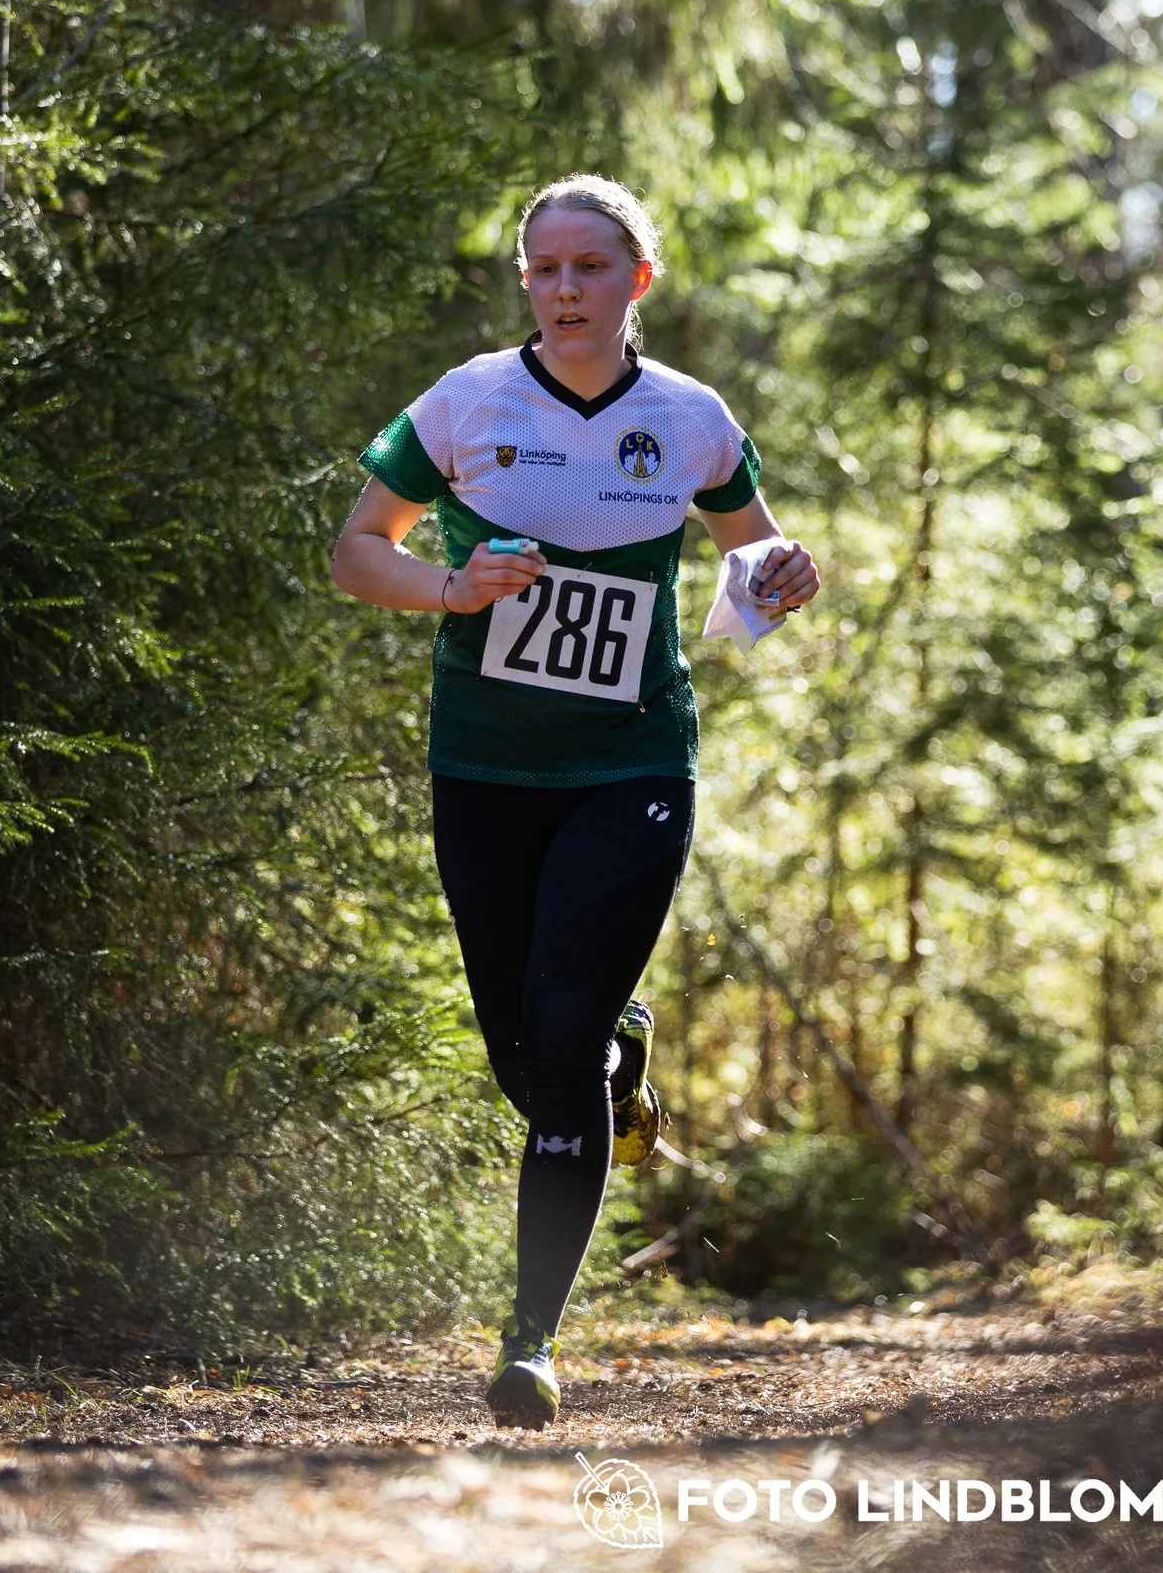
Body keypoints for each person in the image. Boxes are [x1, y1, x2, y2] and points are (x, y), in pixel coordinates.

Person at [330, 176, 818, 1430]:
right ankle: (620, 1065)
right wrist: (449, 587)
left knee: (557, 1032)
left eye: (589, 268)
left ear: (636, 280)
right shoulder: (467, 402)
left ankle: (529, 1340)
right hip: (485, 770)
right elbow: (356, 550)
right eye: (542, 269)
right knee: (528, 1060)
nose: (562, 291)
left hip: (633, 768)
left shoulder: (690, 417)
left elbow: (750, 559)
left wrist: (783, 572)